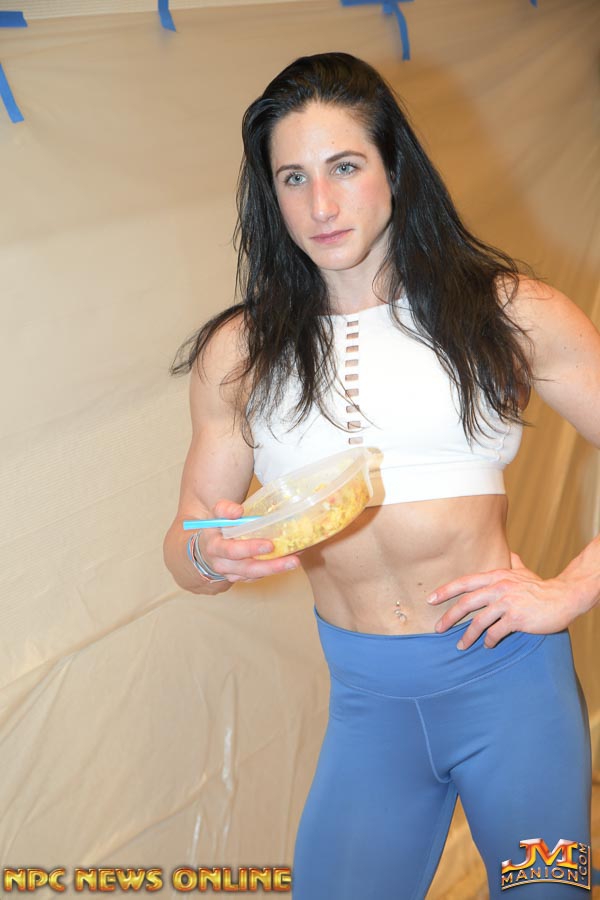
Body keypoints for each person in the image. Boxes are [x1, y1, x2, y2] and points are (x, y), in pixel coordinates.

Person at [163, 52, 600, 899]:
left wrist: (573, 590)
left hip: (511, 691)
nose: (321, 205)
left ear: (394, 168)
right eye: (293, 178)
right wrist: (212, 555)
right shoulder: (240, 353)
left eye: (345, 167)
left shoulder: (508, 312)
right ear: (269, 194)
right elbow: (185, 544)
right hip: (368, 708)